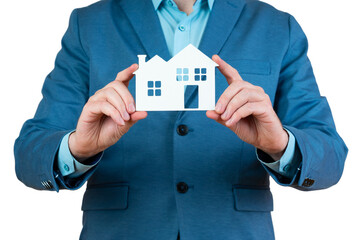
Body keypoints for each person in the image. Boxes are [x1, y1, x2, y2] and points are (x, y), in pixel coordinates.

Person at [14, 0, 348, 239]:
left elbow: (330, 155)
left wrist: (280, 145)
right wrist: (77, 148)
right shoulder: (89, 25)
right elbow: (30, 154)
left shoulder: (278, 27)